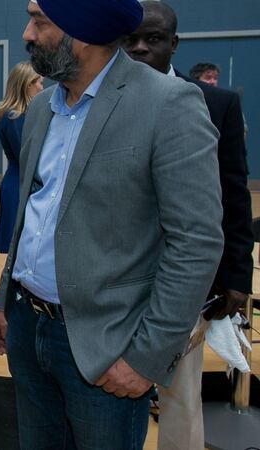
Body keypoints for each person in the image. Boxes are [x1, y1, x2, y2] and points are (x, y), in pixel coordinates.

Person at [0, 0, 223, 448]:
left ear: (85, 31)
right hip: (28, 328)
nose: (27, 35)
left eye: (40, 21)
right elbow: (33, 216)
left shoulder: (168, 104)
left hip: (107, 349)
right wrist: (4, 299)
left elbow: (196, 243)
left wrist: (147, 356)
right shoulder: (41, 109)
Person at [123, 2, 253, 448]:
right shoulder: (102, 101)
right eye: (131, 39)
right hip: (116, 280)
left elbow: (234, 197)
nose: (140, 48)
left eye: (153, 39)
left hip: (186, 283)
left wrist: (238, 275)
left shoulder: (216, 104)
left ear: (173, 44)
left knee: (180, 396)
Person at [0, 61, 43, 253]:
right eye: (38, 82)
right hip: (20, 185)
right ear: (27, 84)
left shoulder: (21, 115)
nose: (41, 87)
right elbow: (28, 156)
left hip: (22, 182)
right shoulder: (14, 117)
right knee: (20, 250)